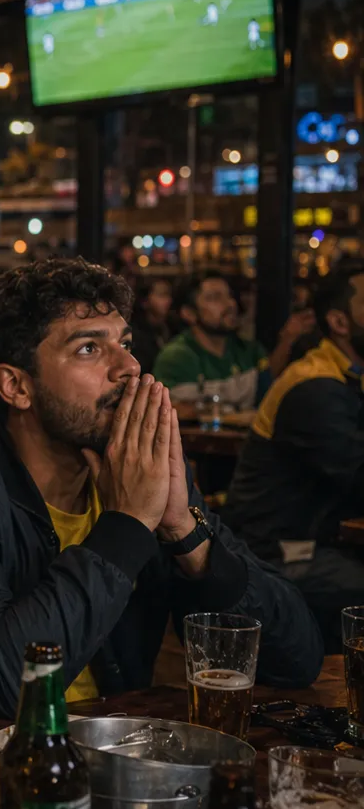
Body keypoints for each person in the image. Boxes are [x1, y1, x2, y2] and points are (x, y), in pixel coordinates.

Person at [0, 259, 324, 716]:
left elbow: (298, 661)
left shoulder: (139, 462)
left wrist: (185, 533)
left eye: (125, 343)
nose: (129, 367)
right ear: (16, 385)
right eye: (89, 348)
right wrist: (127, 525)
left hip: (117, 749)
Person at [225, 267, 364, 649]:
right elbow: (358, 476)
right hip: (279, 553)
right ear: (339, 321)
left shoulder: (347, 376)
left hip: (321, 542)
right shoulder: (314, 387)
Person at [153, 271, 268, 408]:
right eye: (215, 298)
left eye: (230, 296)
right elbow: (170, 410)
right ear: (189, 313)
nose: (230, 304)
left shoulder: (249, 350)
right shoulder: (176, 358)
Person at [129, 275, 178, 373]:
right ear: (145, 301)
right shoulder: (136, 335)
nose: (168, 301)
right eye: (161, 295)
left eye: (168, 295)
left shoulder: (173, 327)